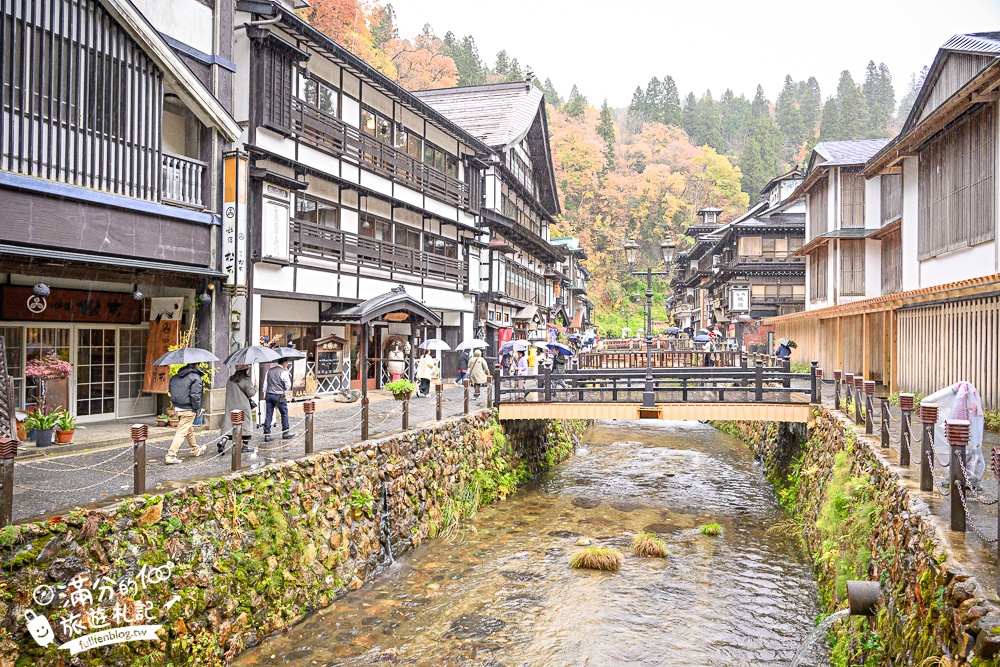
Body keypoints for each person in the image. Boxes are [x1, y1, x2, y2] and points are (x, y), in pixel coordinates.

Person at [165, 363, 207, 464]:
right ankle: (171, 455)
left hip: (178, 407)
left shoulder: (175, 377)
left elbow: (171, 391)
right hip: (188, 408)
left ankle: (196, 449)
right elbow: (195, 395)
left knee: (188, 429)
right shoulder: (196, 378)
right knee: (181, 432)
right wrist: (196, 409)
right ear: (196, 365)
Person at [224, 365, 257, 453]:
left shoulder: (230, 379)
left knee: (229, 423)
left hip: (231, 405)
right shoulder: (246, 380)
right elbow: (251, 393)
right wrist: (256, 387)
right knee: (246, 424)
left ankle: (223, 441)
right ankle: (245, 446)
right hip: (243, 406)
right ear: (245, 371)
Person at [263, 358, 296, 442]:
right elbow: (288, 385)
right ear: (284, 363)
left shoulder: (269, 371)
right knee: (284, 413)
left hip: (269, 394)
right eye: (287, 362)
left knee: (268, 414)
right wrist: (283, 388)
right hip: (279, 395)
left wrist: (265, 394)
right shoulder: (284, 372)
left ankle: (267, 434)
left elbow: (265, 384)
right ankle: (285, 432)